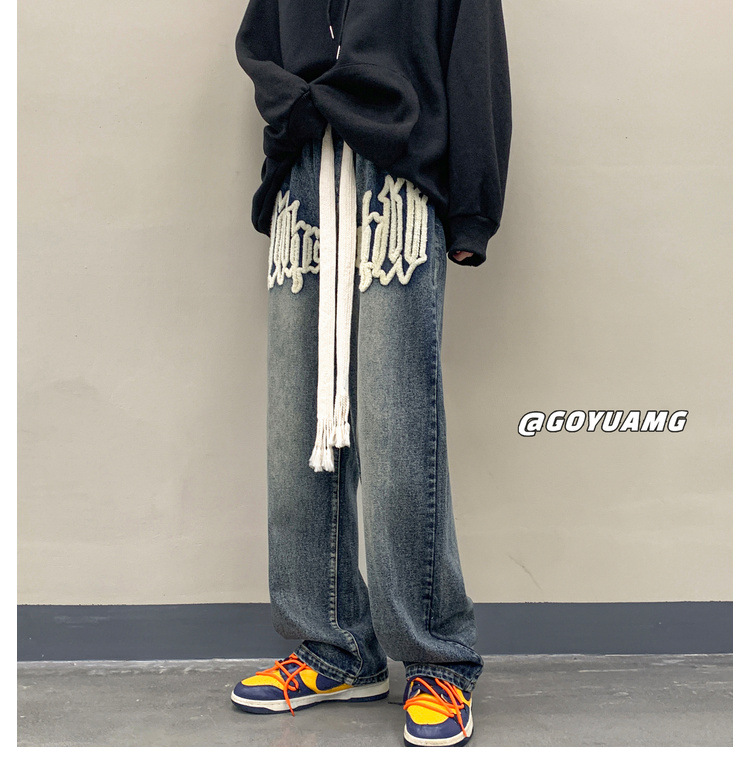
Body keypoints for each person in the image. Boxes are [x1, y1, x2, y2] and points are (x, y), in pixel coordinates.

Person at [231, 0, 511, 747]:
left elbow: (475, 60)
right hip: (304, 183)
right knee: (297, 429)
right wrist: (290, 117)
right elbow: (261, 43)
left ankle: (436, 656)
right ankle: (334, 647)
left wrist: (473, 210)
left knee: (396, 427)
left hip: (398, 180)